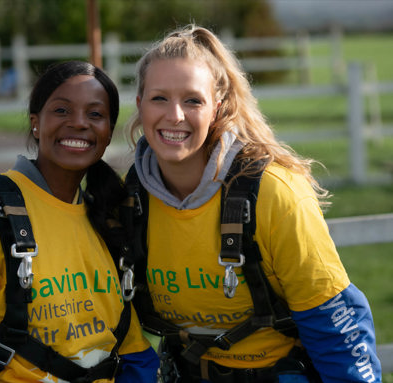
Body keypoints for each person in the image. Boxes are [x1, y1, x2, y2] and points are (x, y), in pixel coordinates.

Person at [123, 25, 381, 382]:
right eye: (159, 98)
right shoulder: (131, 199)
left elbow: (335, 326)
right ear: (139, 105)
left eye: (193, 100)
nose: (175, 115)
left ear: (217, 107)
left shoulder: (273, 193)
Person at [0, 60, 159, 383]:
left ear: (108, 132)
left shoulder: (107, 220)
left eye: (95, 114)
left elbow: (133, 354)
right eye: (61, 111)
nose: (79, 123)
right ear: (35, 122)